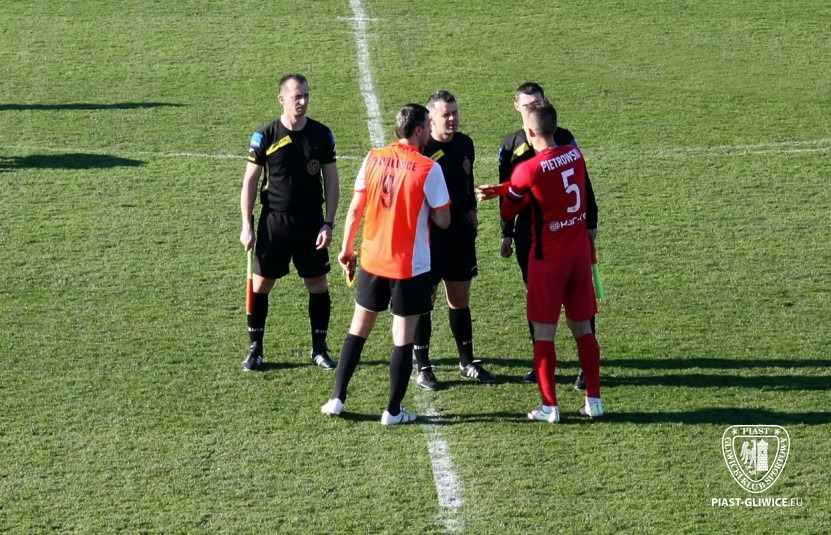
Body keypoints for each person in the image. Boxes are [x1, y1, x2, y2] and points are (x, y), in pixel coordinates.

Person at [320, 104, 451, 425]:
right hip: (410, 266)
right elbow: (444, 220)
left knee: (358, 329)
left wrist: (347, 248)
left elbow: (355, 208)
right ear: (418, 130)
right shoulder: (429, 168)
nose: (430, 130)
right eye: (428, 125)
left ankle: (336, 398)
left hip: (372, 260)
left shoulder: (373, 157)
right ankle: (393, 411)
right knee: (403, 338)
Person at [479, 100, 603, 422]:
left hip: (547, 259)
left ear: (530, 132)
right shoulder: (574, 154)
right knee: (584, 331)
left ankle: (549, 406)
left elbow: (511, 209)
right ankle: (594, 401)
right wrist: (504, 188)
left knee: (544, 333)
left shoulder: (527, 168)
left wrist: (506, 194)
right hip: (578, 255)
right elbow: (548, 183)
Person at [498, 82, 598, 387]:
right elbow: (509, 189)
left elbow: (584, 183)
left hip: (561, 235)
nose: (532, 108)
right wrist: (506, 234)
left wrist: (591, 224)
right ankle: (543, 366)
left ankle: (577, 375)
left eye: (537, 103)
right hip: (530, 234)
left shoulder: (564, 139)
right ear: (517, 107)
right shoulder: (510, 144)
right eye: (527, 104)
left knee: (577, 305)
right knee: (538, 299)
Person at [239, 73, 340, 372]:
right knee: (261, 284)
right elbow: (250, 182)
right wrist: (246, 225)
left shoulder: (322, 135)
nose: (303, 101)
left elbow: (332, 181)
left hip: (311, 222)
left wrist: (329, 224)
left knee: (318, 284)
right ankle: (255, 348)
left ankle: (319, 348)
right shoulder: (265, 136)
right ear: (281, 98)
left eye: (306, 95)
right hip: (274, 222)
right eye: (297, 96)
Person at [412, 90, 495, 390]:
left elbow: (466, 182)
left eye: (455, 112)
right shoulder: (422, 151)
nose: (452, 119)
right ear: (430, 118)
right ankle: (423, 366)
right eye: (446, 114)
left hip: (460, 235)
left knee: (459, 300)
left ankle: (467, 362)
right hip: (431, 238)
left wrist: (472, 208)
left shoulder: (465, 143)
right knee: (426, 301)